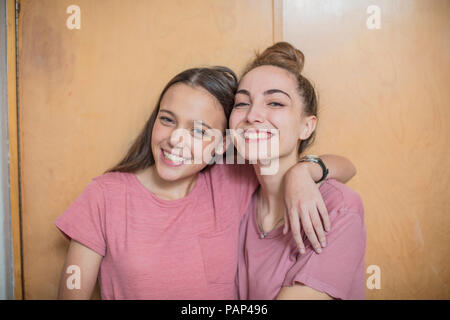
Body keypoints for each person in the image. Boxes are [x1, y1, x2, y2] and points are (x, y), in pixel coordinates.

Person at [54, 65, 356, 299]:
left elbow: (344, 167)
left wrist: (304, 171)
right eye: (167, 119)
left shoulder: (231, 180)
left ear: (222, 143)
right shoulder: (105, 194)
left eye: (199, 131)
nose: (176, 140)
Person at [232, 42, 366, 300]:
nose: (252, 115)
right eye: (241, 103)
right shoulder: (235, 198)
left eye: (275, 103)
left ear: (307, 126)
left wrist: (302, 171)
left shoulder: (339, 207)